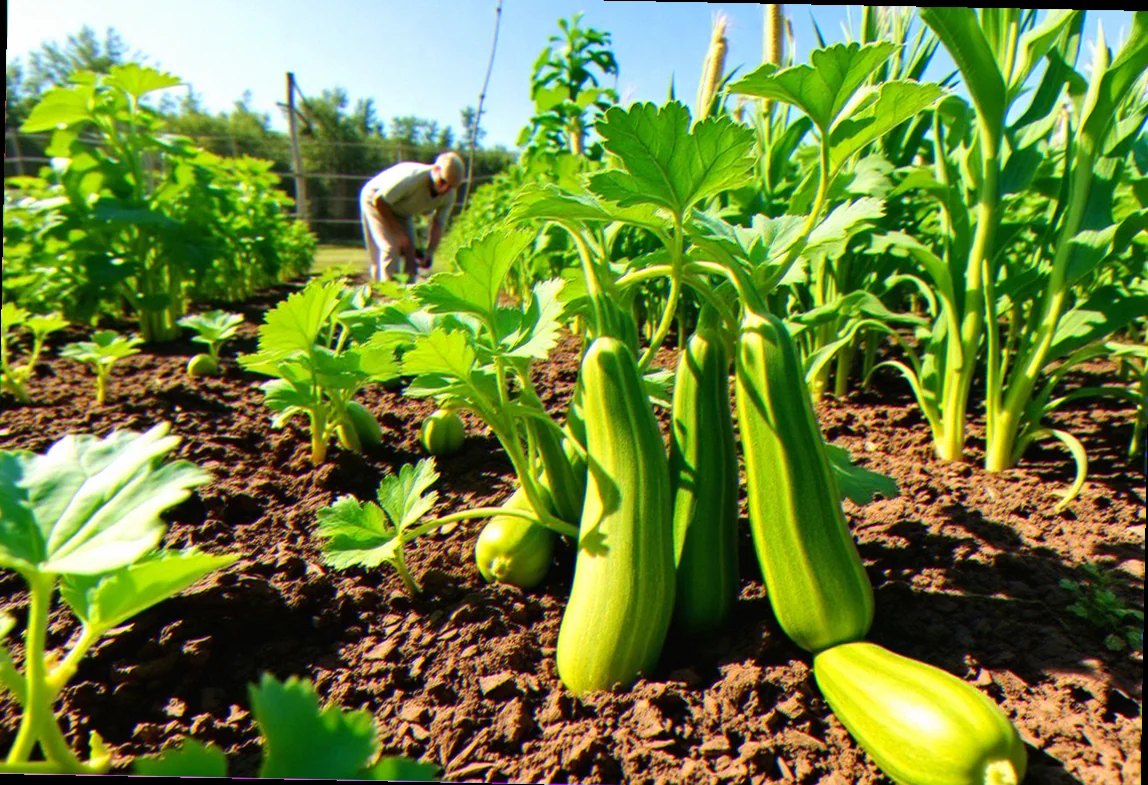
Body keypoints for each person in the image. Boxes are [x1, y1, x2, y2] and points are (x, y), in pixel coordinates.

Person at [359, 151, 464, 282]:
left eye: (451, 187)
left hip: (402, 211)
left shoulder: (449, 196)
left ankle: (408, 294)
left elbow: (438, 223)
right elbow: (380, 200)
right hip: (375, 200)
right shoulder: (413, 178)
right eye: (442, 182)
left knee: (411, 252)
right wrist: (398, 233)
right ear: (435, 170)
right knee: (391, 247)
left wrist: (429, 253)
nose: (445, 190)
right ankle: (386, 294)